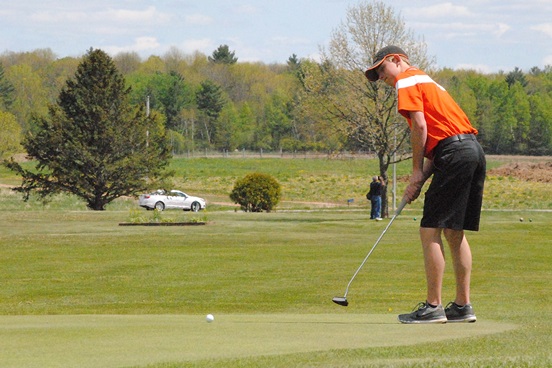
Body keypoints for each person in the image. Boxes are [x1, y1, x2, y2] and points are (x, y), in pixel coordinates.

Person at [365, 45, 486, 324]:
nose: (381, 77)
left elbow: (420, 127)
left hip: (454, 153)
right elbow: (443, 142)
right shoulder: (428, 81)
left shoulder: (406, 80)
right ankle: (462, 306)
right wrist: (419, 180)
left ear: (396, 60)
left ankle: (433, 307)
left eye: (381, 69)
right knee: (454, 233)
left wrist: (416, 171)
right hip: (471, 152)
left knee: (429, 229)